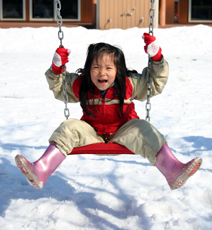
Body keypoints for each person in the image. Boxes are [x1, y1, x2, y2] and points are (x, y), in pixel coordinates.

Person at [15, 33, 202, 190]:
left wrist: (156, 58)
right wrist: (57, 67)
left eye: (108, 68)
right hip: (91, 133)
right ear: (88, 70)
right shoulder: (82, 85)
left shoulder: (129, 83)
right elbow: (59, 87)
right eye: (96, 67)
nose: (101, 73)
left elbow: (154, 82)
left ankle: (173, 170)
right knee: (68, 126)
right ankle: (40, 170)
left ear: (118, 70)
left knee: (144, 127)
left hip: (124, 133)